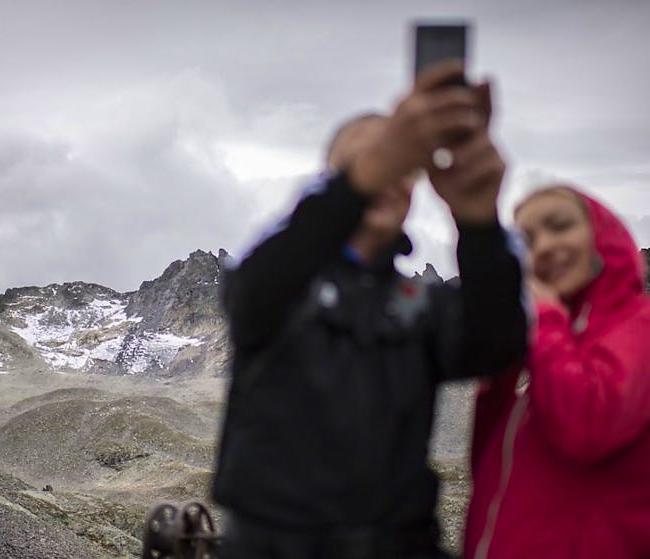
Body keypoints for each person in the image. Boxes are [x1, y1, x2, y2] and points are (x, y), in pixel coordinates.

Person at [213, 61, 527, 559]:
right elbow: (255, 290)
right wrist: (364, 176)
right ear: (333, 184)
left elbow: (495, 345)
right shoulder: (280, 279)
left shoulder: (423, 303)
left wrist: (480, 221)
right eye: (368, 163)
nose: (385, 175)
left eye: (402, 165)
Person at [463, 186, 650, 559]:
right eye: (526, 241)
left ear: (602, 236)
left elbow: (587, 425)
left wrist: (542, 316)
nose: (542, 247)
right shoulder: (551, 346)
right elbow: (488, 470)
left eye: (560, 226)